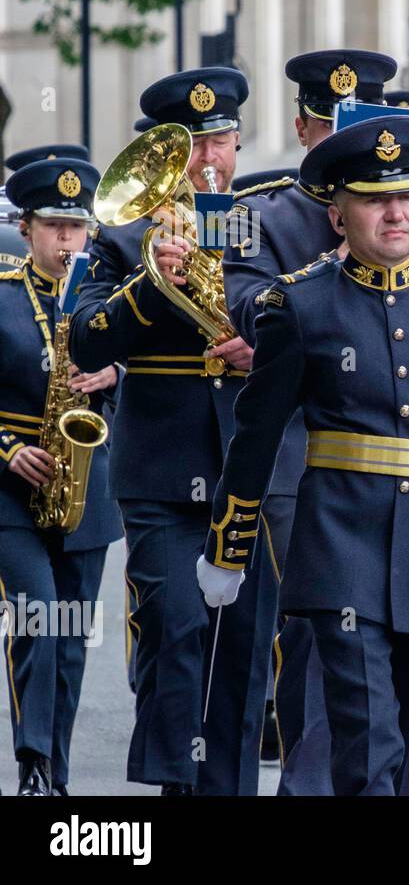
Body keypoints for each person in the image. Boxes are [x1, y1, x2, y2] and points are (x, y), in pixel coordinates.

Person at [198, 115, 409, 795]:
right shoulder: (300, 304)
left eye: (407, 196)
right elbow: (258, 431)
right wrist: (228, 546)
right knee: (368, 743)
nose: (396, 212)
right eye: (374, 198)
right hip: (342, 551)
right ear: (338, 212)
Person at [68, 66, 261, 795]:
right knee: (177, 627)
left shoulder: (262, 224)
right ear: (164, 157)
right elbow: (85, 338)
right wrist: (151, 288)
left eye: (222, 143)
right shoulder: (120, 237)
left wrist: (258, 344)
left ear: (239, 146)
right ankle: (179, 782)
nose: (210, 161)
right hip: (161, 468)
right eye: (194, 148)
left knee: (240, 646)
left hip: (248, 468)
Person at [223, 48, 399, 794]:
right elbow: (244, 305)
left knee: (396, 640)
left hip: (405, 457)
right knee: (323, 634)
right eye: (329, 123)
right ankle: (314, 783)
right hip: (306, 455)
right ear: (302, 127)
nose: (339, 136)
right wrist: (334, 265)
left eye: (355, 124)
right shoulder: (258, 216)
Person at [0, 157, 121, 795]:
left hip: (86, 491)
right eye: (55, 227)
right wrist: (5, 449)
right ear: (26, 229)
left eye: (79, 227)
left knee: (72, 644)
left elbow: (156, 374)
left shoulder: (107, 301)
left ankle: (58, 780)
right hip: (13, 492)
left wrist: (115, 375)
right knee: (40, 622)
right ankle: (32, 765)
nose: (68, 241)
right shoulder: (0, 292)